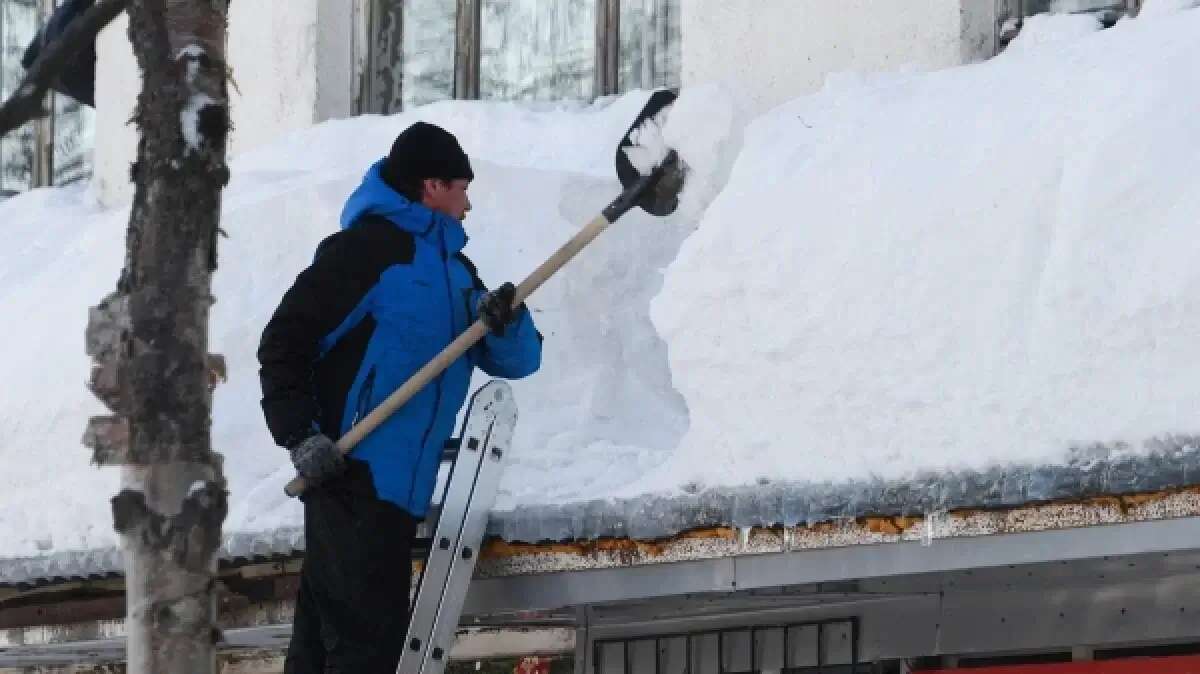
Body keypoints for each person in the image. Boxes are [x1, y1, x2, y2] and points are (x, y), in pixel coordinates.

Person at [257, 121, 542, 673]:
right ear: (431, 186)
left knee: (322, 653)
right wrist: (300, 434)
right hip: (351, 477)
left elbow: (517, 362)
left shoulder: (456, 274)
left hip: (396, 498)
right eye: (462, 186)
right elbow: (283, 343)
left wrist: (505, 321)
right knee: (364, 653)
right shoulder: (365, 254)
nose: (469, 203)